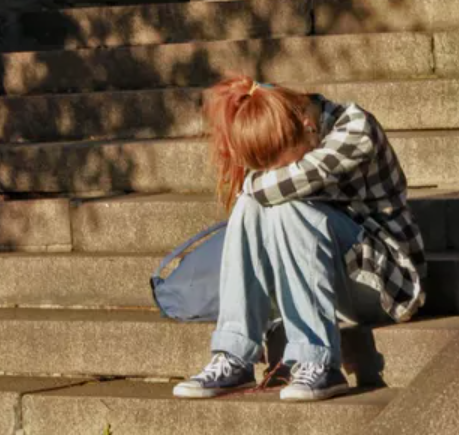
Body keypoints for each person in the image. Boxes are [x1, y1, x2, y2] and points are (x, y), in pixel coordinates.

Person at [172, 76, 426, 402]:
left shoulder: (355, 129)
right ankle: (234, 355)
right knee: (255, 206)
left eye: (282, 162)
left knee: (283, 204)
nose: (277, 170)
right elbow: (259, 191)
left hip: (386, 285)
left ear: (307, 125)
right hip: (329, 281)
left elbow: (263, 187)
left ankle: (319, 362)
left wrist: (254, 180)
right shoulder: (299, 131)